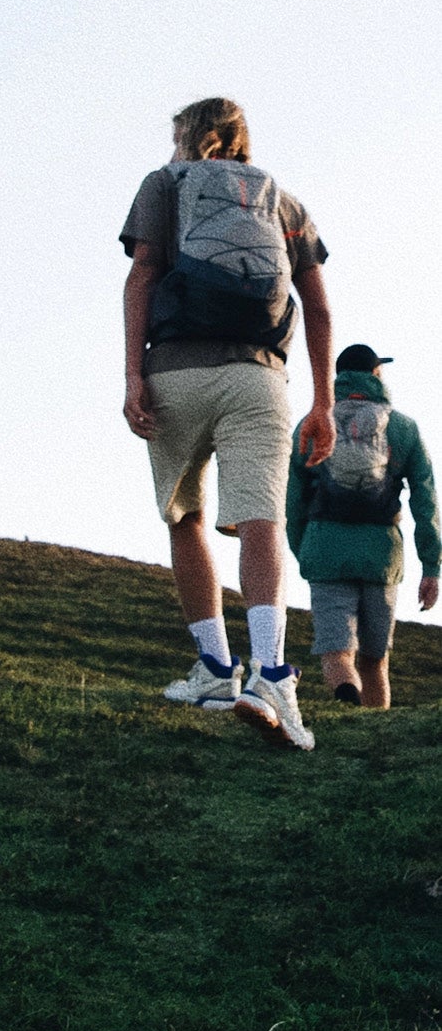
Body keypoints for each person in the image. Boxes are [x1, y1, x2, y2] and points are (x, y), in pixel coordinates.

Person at [121, 97, 334, 751]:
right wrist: (322, 401)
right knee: (261, 521)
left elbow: (142, 274)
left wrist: (132, 375)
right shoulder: (282, 202)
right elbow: (317, 305)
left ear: (186, 135)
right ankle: (269, 671)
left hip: (176, 371)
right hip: (259, 378)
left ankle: (215, 669)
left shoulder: (164, 183)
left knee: (184, 515)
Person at [286, 343, 440, 707]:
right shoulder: (404, 429)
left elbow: (293, 500)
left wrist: (303, 549)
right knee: (375, 661)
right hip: (381, 555)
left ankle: (346, 699)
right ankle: (376, 732)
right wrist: (431, 566)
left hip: (325, 549)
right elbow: (426, 500)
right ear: (375, 375)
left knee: (337, 653)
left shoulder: (311, 426)